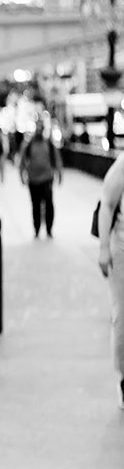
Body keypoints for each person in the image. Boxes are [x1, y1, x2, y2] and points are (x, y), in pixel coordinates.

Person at [95, 151, 124, 409]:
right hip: (122, 250)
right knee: (123, 317)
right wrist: (104, 247)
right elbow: (106, 203)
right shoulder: (123, 165)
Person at [17, 119, 62, 237]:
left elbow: (56, 159)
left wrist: (59, 173)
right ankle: (36, 228)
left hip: (47, 178)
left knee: (48, 204)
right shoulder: (28, 145)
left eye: (41, 127)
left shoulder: (49, 144)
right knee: (35, 205)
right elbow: (22, 162)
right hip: (33, 179)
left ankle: (49, 228)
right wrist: (21, 175)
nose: (39, 130)